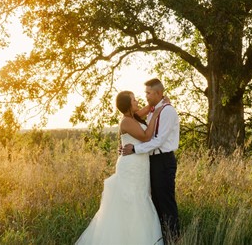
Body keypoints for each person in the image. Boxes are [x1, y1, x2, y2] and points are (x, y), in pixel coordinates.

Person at [75, 90, 169, 245]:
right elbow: (146, 137)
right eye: (133, 100)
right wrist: (158, 112)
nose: (137, 101)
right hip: (131, 166)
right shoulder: (126, 121)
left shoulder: (134, 116)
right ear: (127, 105)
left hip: (140, 166)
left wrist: (159, 101)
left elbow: (148, 108)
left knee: (141, 198)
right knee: (131, 201)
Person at [121, 78, 180, 243]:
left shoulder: (167, 111)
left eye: (148, 93)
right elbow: (132, 123)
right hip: (152, 162)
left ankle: (173, 240)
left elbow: (159, 140)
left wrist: (134, 149)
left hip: (163, 160)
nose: (145, 96)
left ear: (158, 93)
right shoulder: (154, 110)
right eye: (144, 93)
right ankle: (160, 239)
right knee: (156, 204)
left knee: (166, 203)